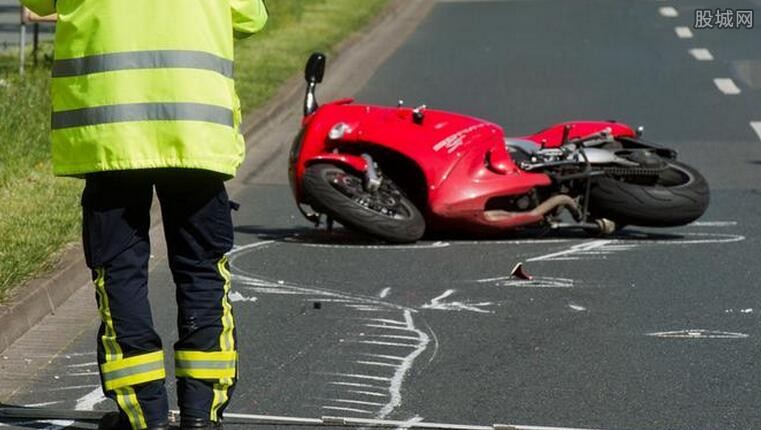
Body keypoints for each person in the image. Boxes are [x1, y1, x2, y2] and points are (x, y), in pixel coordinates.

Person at [20, 1, 268, 429]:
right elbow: (251, 18)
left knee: (119, 272)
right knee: (203, 271)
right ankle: (200, 415)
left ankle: (144, 418)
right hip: (193, 131)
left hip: (109, 134)